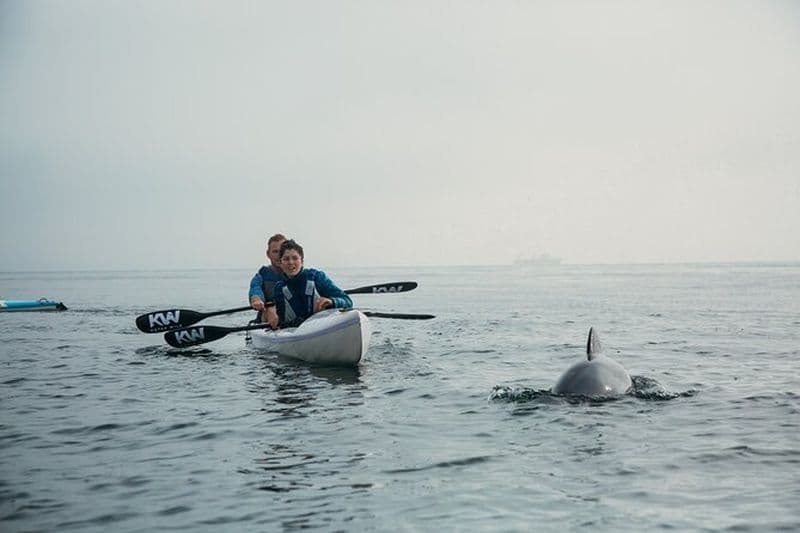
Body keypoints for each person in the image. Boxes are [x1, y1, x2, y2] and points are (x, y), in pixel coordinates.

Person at [265, 239, 353, 329]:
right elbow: (281, 320)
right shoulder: (279, 288)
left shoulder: (317, 277)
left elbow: (347, 301)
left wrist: (332, 301)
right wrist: (272, 314)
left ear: (302, 261)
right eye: (286, 259)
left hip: (321, 328)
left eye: (295, 258)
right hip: (297, 333)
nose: (291, 262)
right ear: (281, 263)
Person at [248, 233, 286, 322]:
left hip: (291, 313)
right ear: (268, 254)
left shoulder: (295, 274)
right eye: (275, 251)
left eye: (282, 251)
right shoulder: (261, 276)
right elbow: (255, 288)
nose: (279, 255)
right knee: (270, 308)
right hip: (268, 316)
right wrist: (256, 299)